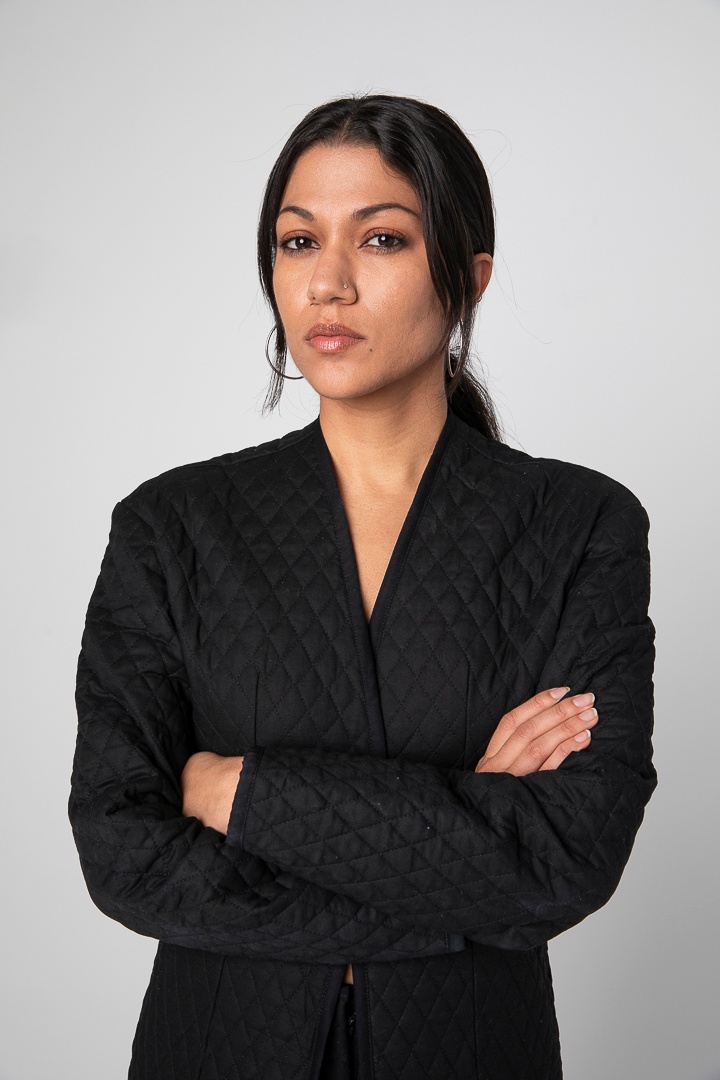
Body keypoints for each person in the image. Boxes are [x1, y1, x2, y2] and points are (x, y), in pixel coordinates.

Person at [69, 93, 656, 1080]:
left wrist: (239, 789)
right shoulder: (172, 527)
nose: (328, 283)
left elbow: (564, 862)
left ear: (467, 277)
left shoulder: (577, 526)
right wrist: (464, 831)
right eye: (298, 242)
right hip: (221, 1047)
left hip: (471, 1050)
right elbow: (124, 849)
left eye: (380, 238)